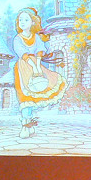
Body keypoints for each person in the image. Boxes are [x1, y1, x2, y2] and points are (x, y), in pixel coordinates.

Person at [12, 8, 66, 138]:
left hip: (36, 65)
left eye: (26, 20)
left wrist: (37, 66)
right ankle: (25, 126)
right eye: (20, 20)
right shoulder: (17, 39)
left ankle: (30, 124)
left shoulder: (36, 37)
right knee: (25, 95)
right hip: (23, 67)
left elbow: (40, 51)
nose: (22, 22)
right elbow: (23, 54)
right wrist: (33, 66)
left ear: (32, 22)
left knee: (38, 90)